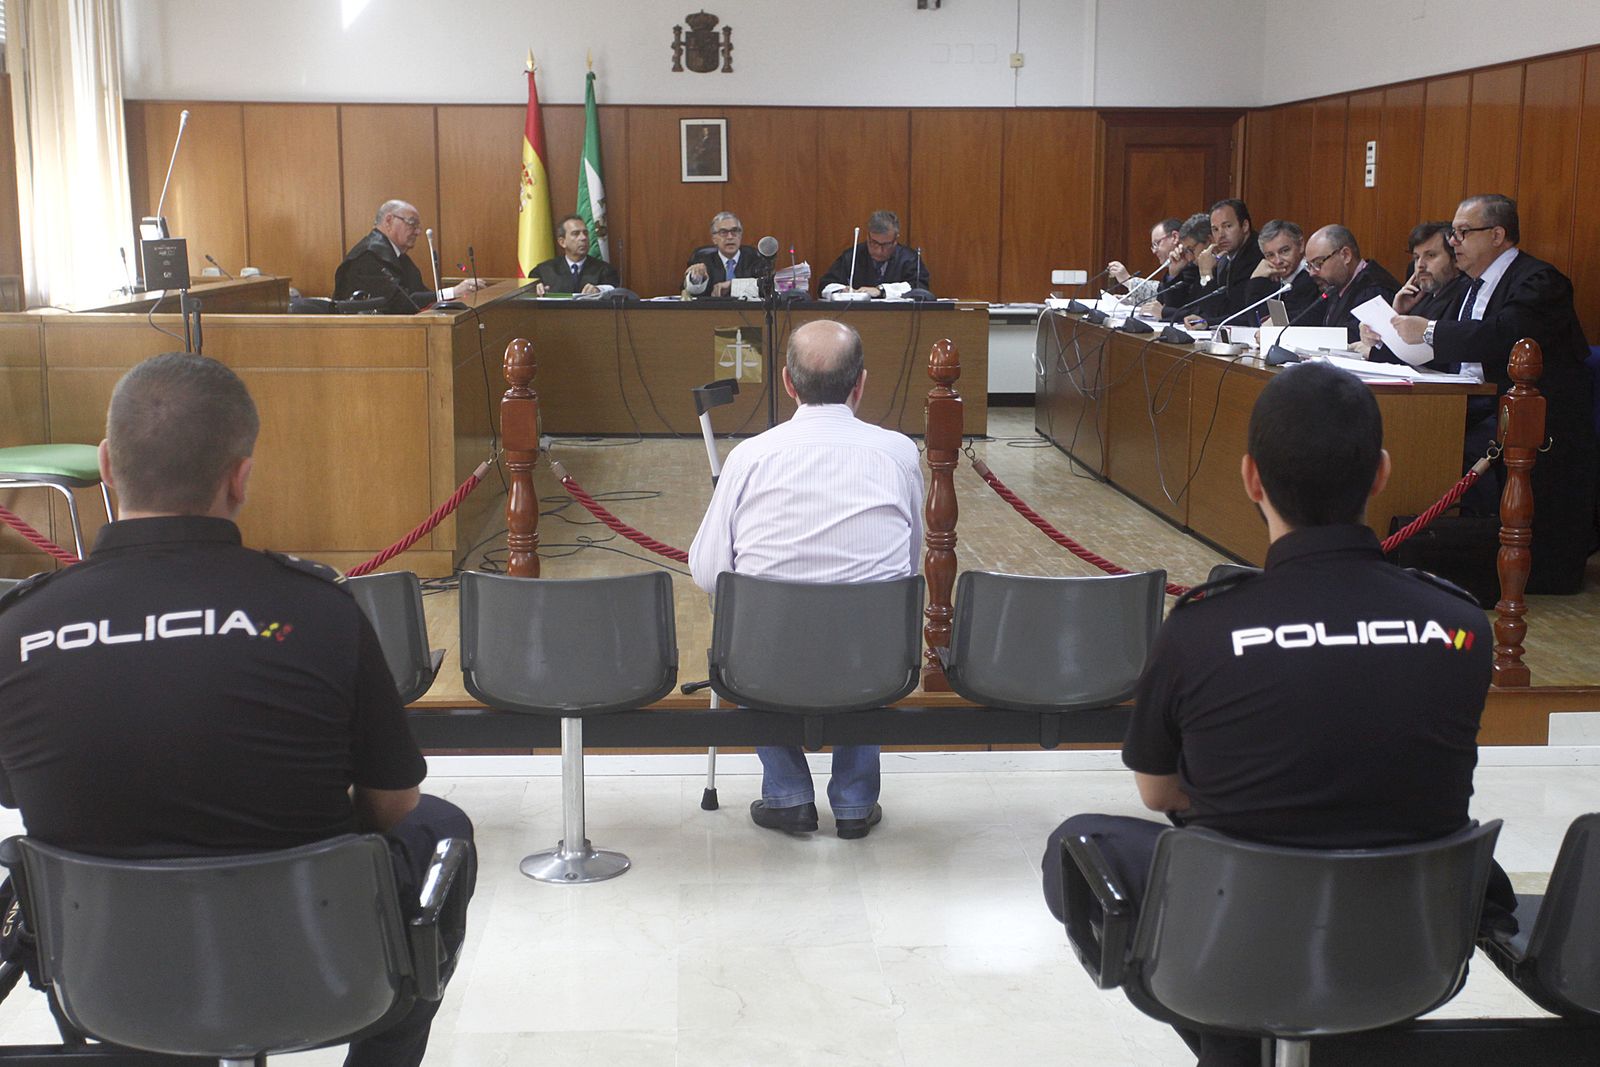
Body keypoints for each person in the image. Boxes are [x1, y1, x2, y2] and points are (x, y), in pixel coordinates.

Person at [0, 353, 475, 1067]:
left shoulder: (15, 631)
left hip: (108, 979)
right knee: (442, 825)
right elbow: (393, 804)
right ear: (240, 475)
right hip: (312, 971)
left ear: (105, 465)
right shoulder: (316, 610)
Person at [1039, 361, 1517, 1067]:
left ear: (1251, 478)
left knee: (1075, 844)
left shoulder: (1199, 628)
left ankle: (1238, 1044)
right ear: (1381, 472)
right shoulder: (1460, 622)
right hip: (1410, 940)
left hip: (1237, 931)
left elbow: (1158, 791)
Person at [688, 320, 923, 839]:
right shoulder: (900, 454)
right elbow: (910, 568)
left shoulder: (749, 457)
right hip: (874, 665)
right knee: (878, 615)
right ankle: (856, 802)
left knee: (738, 618)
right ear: (860, 383)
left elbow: (708, 573)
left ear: (789, 385)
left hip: (764, 664)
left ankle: (788, 793)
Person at [1391, 194, 1598, 594]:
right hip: (1481, 405)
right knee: (1410, 432)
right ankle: (1416, 554)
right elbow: (1449, 351)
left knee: (1438, 443)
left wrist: (1429, 330)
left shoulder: (1541, 280)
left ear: (1498, 235)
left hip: (1537, 424)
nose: (1455, 242)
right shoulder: (1471, 288)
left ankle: (1459, 558)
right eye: (1453, 233)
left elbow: (1504, 335)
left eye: (1464, 232)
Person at [333, 199, 485, 314]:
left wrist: (454, 297)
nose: (418, 232)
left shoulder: (397, 256)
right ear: (389, 220)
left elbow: (419, 294)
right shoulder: (368, 257)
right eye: (412, 223)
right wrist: (453, 292)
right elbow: (399, 302)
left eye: (418, 226)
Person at [1358, 220, 1468, 368]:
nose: (1420, 265)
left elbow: (1437, 358)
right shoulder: (1421, 297)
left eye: (1431, 255)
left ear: (1455, 259)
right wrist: (1395, 313)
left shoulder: (1463, 293)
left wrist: (1375, 353)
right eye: (1416, 258)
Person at [1303, 224, 1400, 341]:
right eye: (1309, 266)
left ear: (1346, 255)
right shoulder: (1338, 285)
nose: (1312, 273)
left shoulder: (1373, 291)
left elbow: (1352, 342)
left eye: (1318, 263)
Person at [1186, 198, 1266, 324]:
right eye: (1215, 229)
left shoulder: (1257, 255)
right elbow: (1198, 306)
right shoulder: (1224, 258)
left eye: (1227, 226)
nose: (1221, 235)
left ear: (1245, 226)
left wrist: (1206, 273)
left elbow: (1232, 311)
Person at [820, 210, 931, 297]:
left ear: (895, 239)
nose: (879, 250)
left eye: (886, 245)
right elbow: (825, 285)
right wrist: (841, 290)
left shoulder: (909, 259)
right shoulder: (852, 256)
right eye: (874, 243)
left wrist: (881, 291)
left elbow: (919, 288)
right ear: (868, 237)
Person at [1240, 219, 1320, 323]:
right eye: (1270, 255)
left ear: (1300, 245)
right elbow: (1252, 316)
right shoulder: (1274, 280)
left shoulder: (1310, 280)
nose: (1278, 261)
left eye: (1284, 251)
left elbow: (1260, 322)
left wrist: (1256, 280)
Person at [1139, 213, 1210, 319]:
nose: (1154, 251)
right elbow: (1165, 303)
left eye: (1156, 243)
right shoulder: (1184, 264)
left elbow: (1202, 312)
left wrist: (1165, 313)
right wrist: (1173, 273)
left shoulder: (1194, 265)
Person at [532, 214, 620, 295]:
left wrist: (598, 289)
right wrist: (535, 289)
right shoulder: (543, 271)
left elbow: (614, 289)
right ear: (562, 242)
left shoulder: (605, 270)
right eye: (576, 234)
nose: (583, 238)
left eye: (585, 233)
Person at [684, 211, 765, 298]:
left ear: (740, 235)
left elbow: (767, 287)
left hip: (748, 311)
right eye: (723, 232)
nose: (730, 237)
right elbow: (688, 293)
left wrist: (732, 286)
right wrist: (696, 279)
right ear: (714, 239)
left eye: (735, 231)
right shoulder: (703, 260)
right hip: (713, 311)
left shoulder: (755, 259)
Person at [1107, 217, 1186, 307]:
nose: (1154, 251)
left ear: (1175, 237)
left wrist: (1128, 280)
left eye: (1156, 243)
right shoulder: (1173, 264)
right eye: (1153, 246)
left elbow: (1184, 303)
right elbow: (1162, 294)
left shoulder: (1191, 264)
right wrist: (1130, 301)